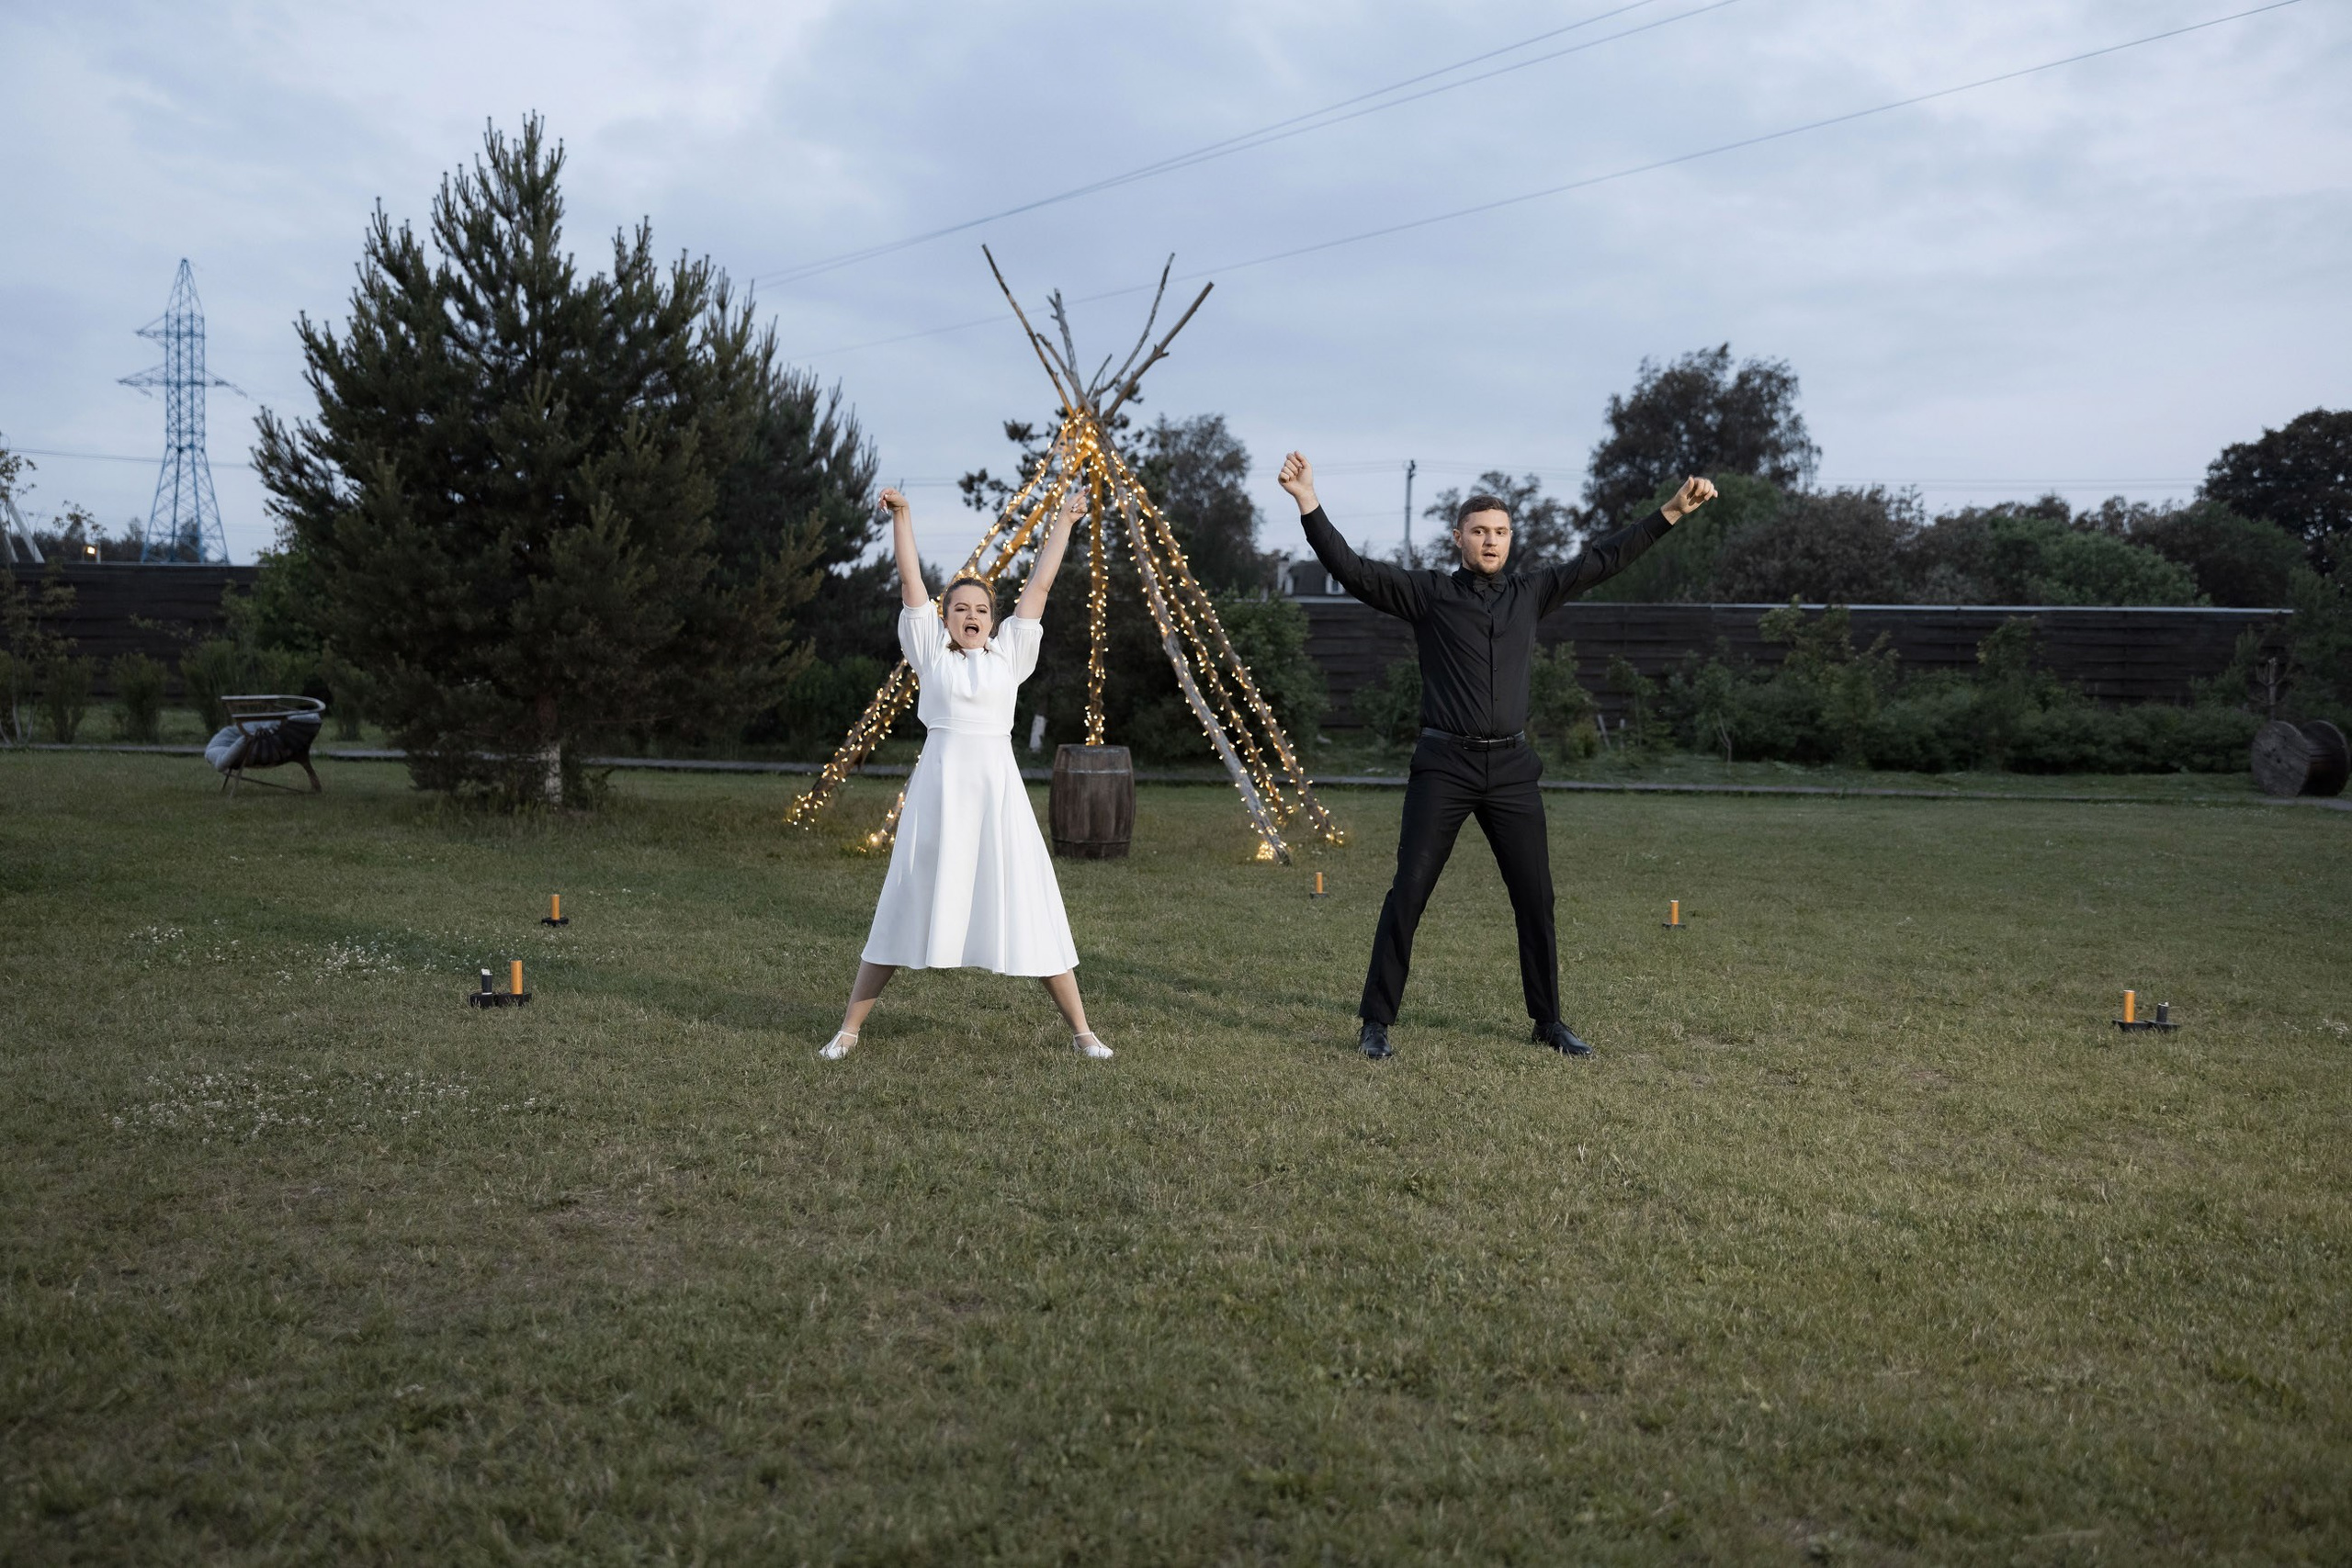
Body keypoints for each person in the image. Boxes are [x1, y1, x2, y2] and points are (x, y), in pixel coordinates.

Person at [1276, 452, 1716, 1061]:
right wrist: (1308, 501)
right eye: (1480, 530)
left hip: (1511, 771)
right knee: (1409, 891)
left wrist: (1670, 512)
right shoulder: (1429, 594)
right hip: (1444, 767)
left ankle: (1548, 1021)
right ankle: (1376, 1020)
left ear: (1511, 539)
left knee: (1536, 898)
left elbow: (1604, 560)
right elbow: (1353, 570)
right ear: (1458, 537)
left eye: (1501, 531)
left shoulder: (1530, 593)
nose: (1491, 540)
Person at [820, 466, 1111, 1061]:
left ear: (993, 620)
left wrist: (1063, 521)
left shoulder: (1009, 656)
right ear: (946, 618)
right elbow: (910, 582)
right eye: (960, 608)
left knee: (1030, 906)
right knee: (904, 904)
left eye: (981, 607)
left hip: (998, 799)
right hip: (940, 796)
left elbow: (1039, 587)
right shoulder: (932, 655)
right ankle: (848, 1030)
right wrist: (903, 517)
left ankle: (1083, 1032)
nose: (971, 614)